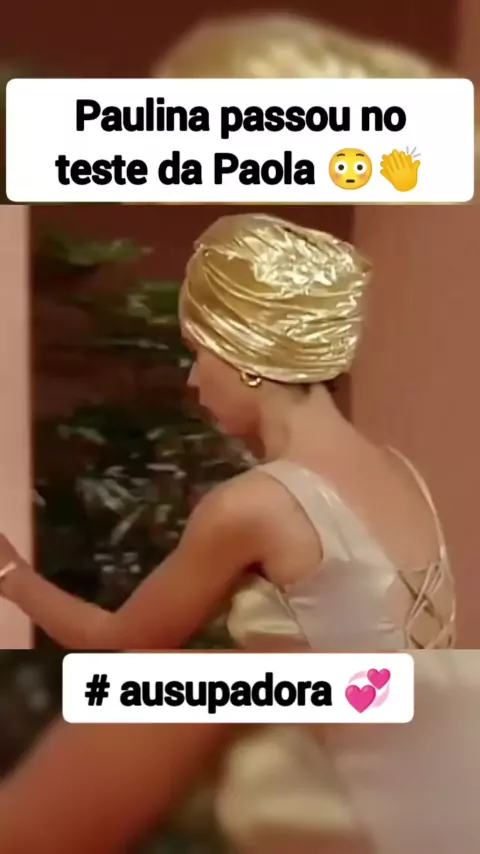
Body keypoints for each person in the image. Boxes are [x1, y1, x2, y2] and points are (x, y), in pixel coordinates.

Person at [0, 214, 462, 854]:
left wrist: (13, 576)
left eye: (199, 353)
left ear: (246, 356)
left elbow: (122, 640)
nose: (193, 380)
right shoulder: (404, 475)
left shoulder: (256, 505)